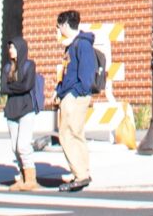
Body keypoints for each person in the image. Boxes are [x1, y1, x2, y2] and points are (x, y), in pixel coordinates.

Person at [51, 10, 97, 194]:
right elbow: (67, 73)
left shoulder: (82, 45)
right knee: (76, 134)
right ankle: (81, 172)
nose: (57, 29)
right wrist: (59, 90)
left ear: (65, 25)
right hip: (69, 94)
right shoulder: (72, 46)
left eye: (58, 25)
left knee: (67, 135)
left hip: (75, 97)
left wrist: (73, 94)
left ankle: (80, 175)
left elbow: (85, 76)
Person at [1, 36, 43, 192]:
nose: (10, 50)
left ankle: (31, 178)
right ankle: (22, 176)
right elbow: (3, 88)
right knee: (14, 147)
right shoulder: (7, 67)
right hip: (12, 109)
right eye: (9, 47)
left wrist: (13, 86)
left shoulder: (29, 65)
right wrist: (15, 87)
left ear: (20, 48)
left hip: (26, 108)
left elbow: (27, 85)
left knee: (23, 145)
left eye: (13, 47)